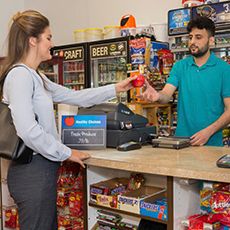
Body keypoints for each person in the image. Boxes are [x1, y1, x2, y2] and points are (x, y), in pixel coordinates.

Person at [0, 10, 136, 230]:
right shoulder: (20, 76)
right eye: (48, 37)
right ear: (32, 40)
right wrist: (67, 153)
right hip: (32, 170)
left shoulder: (36, 76)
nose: (52, 43)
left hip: (41, 168)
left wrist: (116, 88)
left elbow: (74, 96)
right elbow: (28, 130)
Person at [142, 16, 230, 146]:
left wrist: (208, 132)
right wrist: (157, 95)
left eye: (198, 37)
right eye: (190, 37)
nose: (192, 41)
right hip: (182, 143)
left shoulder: (224, 69)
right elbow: (166, 94)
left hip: (212, 145)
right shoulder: (180, 66)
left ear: (211, 41)